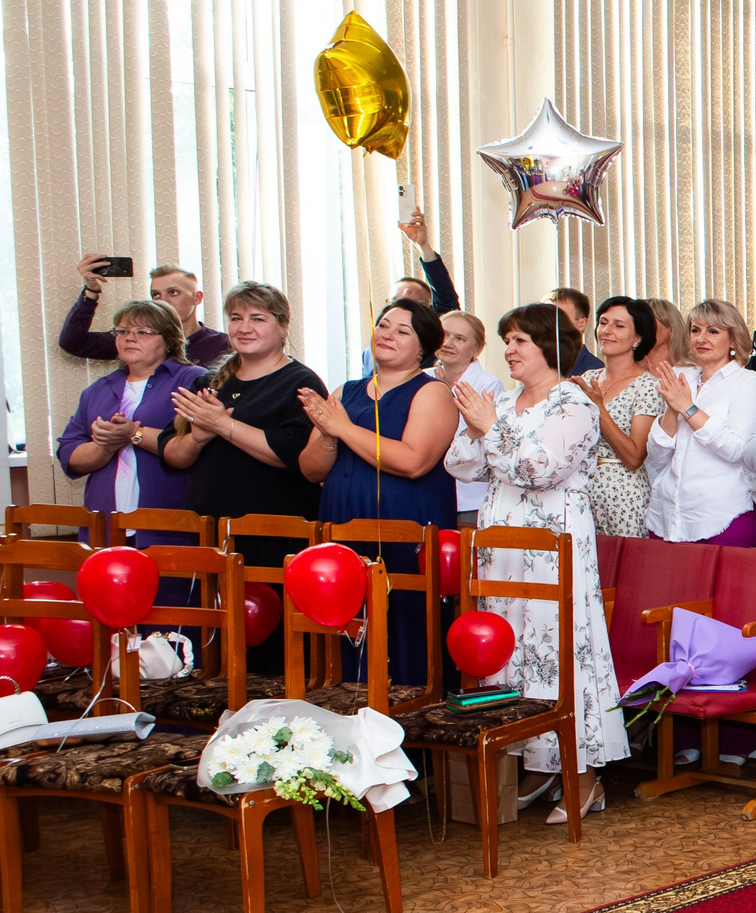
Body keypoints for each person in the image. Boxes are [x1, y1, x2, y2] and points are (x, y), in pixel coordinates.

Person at [446, 304, 629, 824]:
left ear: (549, 346)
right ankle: (533, 761)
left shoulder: (573, 402)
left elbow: (540, 469)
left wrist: (492, 429)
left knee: (556, 644)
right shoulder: (502, 400)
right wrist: (477, 427)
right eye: (506, 340)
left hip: (552, 539)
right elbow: (460, 464)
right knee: (509, 646)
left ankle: (583, 774)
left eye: (519, 340)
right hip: (501, 545)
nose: (509, 349)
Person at [298, 298, 461, 686]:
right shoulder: (346, 391)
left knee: (401, 620)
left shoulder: (432, 392)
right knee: (344, 616)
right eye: (383, 325)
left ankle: (410, 707)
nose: (387, 335)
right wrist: (328, 433)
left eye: (402, 331)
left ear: (423, 348)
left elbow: (414, 461)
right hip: (342, 521)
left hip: (403, 525)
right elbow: (311, 469)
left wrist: (343, 428)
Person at [161, 285, 329, 613]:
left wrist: (222, 425)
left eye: (257, 318)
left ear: (283, 326)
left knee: (272, 624)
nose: (244, 327)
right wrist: (198, 437)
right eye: (236, 318)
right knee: (216, 627)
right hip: (212, 529)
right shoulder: (207, 383)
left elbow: (294, 457)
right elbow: (172, 454)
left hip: (274, 532)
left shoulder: (301, 383)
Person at [53, 299, 207, 550]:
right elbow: (69, 456)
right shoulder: (98, 389)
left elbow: (200, 445)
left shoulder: (192, 380)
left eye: (143, 332)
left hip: (170, 522)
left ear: (169, 339)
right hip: (106, 526)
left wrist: (133, 434)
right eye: (122, 331)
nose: (130, 338)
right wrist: (106, 446)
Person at [645, 299, 756, 546]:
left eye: (712, 331)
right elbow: (657, 457)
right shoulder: (683, 377)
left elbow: (736, 449)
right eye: (695, 330)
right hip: (668, 515)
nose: (701, 338)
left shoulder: (747, 381)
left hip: (721, 516)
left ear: (732, 339)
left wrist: (688, 408)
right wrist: (672, 408)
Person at [574, 296, 663, 540]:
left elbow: (634, 457)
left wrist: (599, 408)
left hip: (623, 495)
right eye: (603, 322)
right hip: (580, 490)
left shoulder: (647, 385)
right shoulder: (587, 378)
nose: (607, 331)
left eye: (619, 325)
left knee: (626, 562)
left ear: (637, 339)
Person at [60, 257, 229, 366]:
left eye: (173, 292)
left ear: (197, 298)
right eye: (156, 295)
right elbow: (73, 342)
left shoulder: (223, 344)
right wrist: (91, 291)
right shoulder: (136, 339)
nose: (163, 301)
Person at [432, 313, 505, 526]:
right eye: (444, 335)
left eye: (459, 338)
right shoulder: (423, 376)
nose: (448, 343)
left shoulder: (488, 383)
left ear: (478, 349)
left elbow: (478, 435)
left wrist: (445, 393)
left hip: (468, 493)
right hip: (427, 485)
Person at [394, 206, 462, 314]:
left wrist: (423, 245)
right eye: (395, 301)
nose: (401, 307)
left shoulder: (438, 322)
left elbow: (446, 300)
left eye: (410, 303)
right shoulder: (382, 324)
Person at [549, 287, 604, 376]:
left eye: (559, 318)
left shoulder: (596, 372)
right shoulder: (532, 365)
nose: (548, 323)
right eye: (544, 317)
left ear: (582, 324)